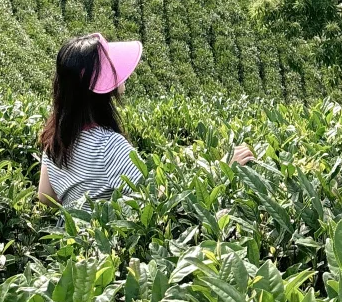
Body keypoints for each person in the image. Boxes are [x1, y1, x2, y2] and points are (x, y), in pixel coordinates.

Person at [37, 32, 255, 207]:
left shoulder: (56, 138)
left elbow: (45, 196)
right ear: (100, 84)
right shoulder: (108, 146)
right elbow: (159, 198)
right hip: (107, 255)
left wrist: (80, 205)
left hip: (74, 251)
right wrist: (223, 169)